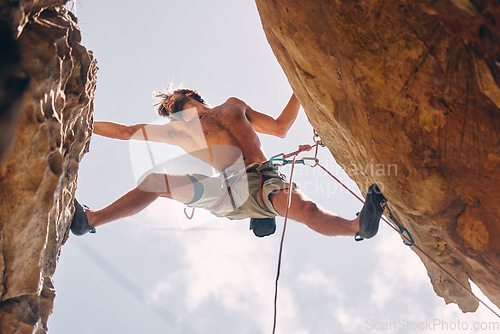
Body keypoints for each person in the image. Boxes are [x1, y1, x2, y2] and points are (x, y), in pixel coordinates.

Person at [71, 87, 386, 240]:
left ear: (187, 94)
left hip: (267, 178)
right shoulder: (178, 130)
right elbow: (127, 132)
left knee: (304, 209)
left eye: (169, 102)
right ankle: (91, 219)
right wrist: (82, 120)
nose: (167, 108)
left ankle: (356, 226)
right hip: (227, 189)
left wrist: (300, 88)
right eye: (166, 109)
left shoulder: (234, 106)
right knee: (157, 182)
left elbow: (279, 127)